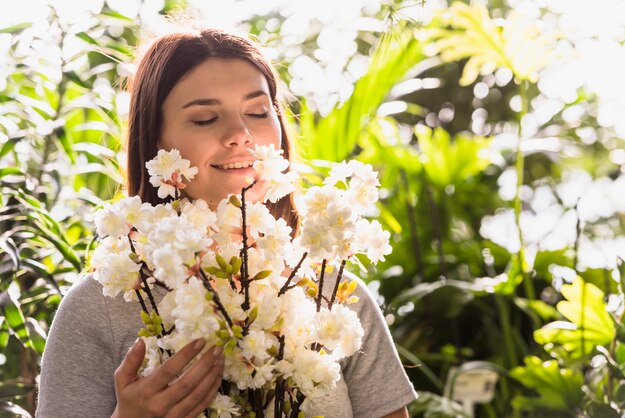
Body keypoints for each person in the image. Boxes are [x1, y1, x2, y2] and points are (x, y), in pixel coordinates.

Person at [36, 28, 417, 418]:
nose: (241, 135)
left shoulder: (330, 292)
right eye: (205, 118)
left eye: (257, 112)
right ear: (155, 143)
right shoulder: (99, 309)